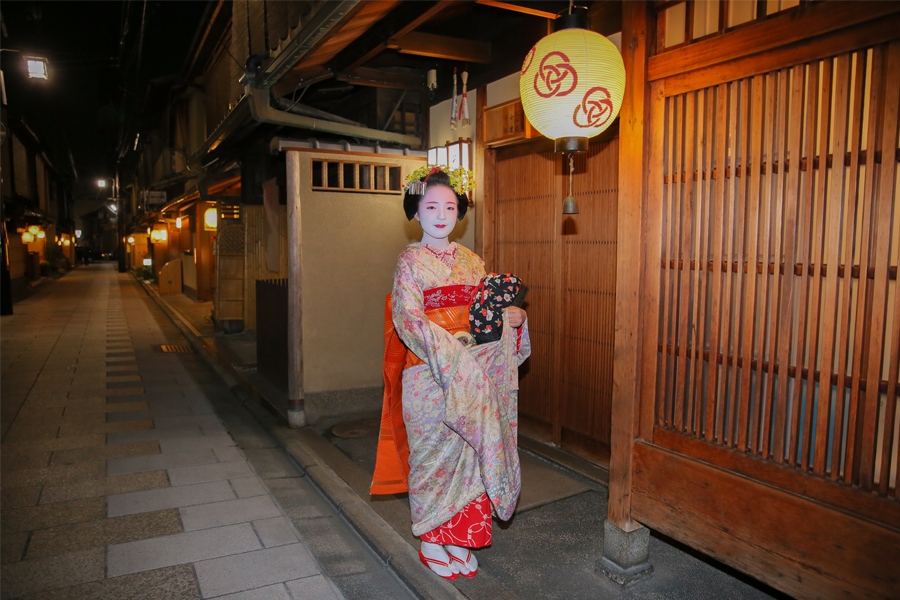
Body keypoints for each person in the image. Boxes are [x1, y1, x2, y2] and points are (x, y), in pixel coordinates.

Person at [371, 166, 531, 580]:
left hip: (473, 374)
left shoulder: (472, 261)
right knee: (431, 461)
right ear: (416, 212)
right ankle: (429, 540)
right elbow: (408, 319)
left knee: (471, 456)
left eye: (450, 206)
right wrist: (452, 354)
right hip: (428, 374)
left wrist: (512, 318)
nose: (441, 214)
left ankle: (460, 539)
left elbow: (486, 318)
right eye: (431, 206)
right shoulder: (410, 261)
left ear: (459, 212)